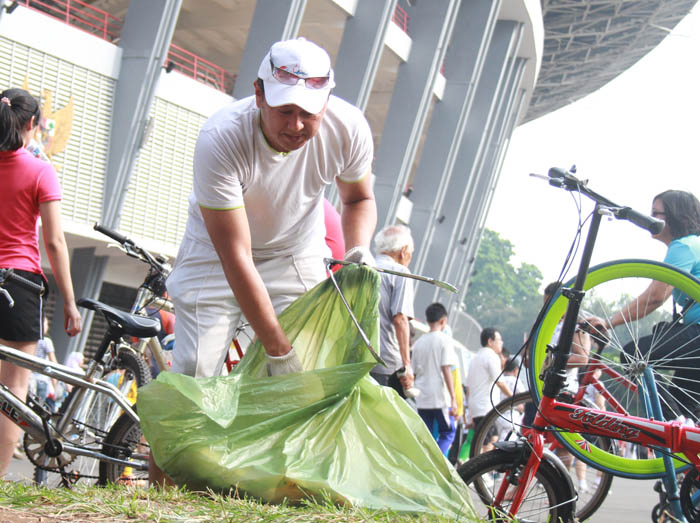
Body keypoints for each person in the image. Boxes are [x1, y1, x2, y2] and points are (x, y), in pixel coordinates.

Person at [155, 38, 376, 484]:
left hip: (295, 251)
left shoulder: (348, 128)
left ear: (327, 101)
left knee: (308, 379)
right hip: (215, 259)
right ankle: (161, 495)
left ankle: (278, 487)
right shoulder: (221, 138)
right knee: (195, 380)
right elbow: (236, 257)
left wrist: (357, 248)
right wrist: (277, 346)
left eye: (309, 113)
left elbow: (359, 198)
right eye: (284, 110)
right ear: (258, 94)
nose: (296, 125)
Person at [0, 87, 82, 477]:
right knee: (14, 389)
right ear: (33, 124)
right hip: (20, 285)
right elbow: (53, 241)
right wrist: (69, 301)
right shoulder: (40, 170)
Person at [591, 190, 700, 421]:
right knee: (686, 409)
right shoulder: (693, 245)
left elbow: (655, 297)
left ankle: (675, 427)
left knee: (633, 354)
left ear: (674, 216)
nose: (649, 220)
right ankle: (684, 443)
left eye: (655, 214)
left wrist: (609, 322)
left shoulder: (683, 247)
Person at [370, 224, 417, 397]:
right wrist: (406, 366)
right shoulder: (401, 272)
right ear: (403, 251)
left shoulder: (361, 265)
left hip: (353, 357)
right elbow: (400, 320)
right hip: (384, 361)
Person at [411, 302, 458, 455]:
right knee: (448, 433)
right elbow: (446, 369)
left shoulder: (418, 343)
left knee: (427, 436)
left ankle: (426, 465)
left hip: (422, 396)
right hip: (439, 397)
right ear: (443, 320)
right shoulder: (444, 340)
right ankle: (437, 463)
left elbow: (414, 373)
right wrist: (453, 398)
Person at [465, 327, 512, 431]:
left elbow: (468, 389)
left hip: (476, 408)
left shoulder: (475, 358)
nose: (501, 343)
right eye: (499, 340)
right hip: (486, 408)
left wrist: (470, 414)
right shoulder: (491, 356)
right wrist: (513, 398)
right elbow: (500, 382)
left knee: (489, 438)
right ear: (490, 341)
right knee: (488, 441)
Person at [32, 315, 59, 412]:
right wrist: (55, 385)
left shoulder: (31, 340)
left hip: (29, 378)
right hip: (42, 380)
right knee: (38, 408)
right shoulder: (47, 341)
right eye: (46, 323)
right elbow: (53, 362)